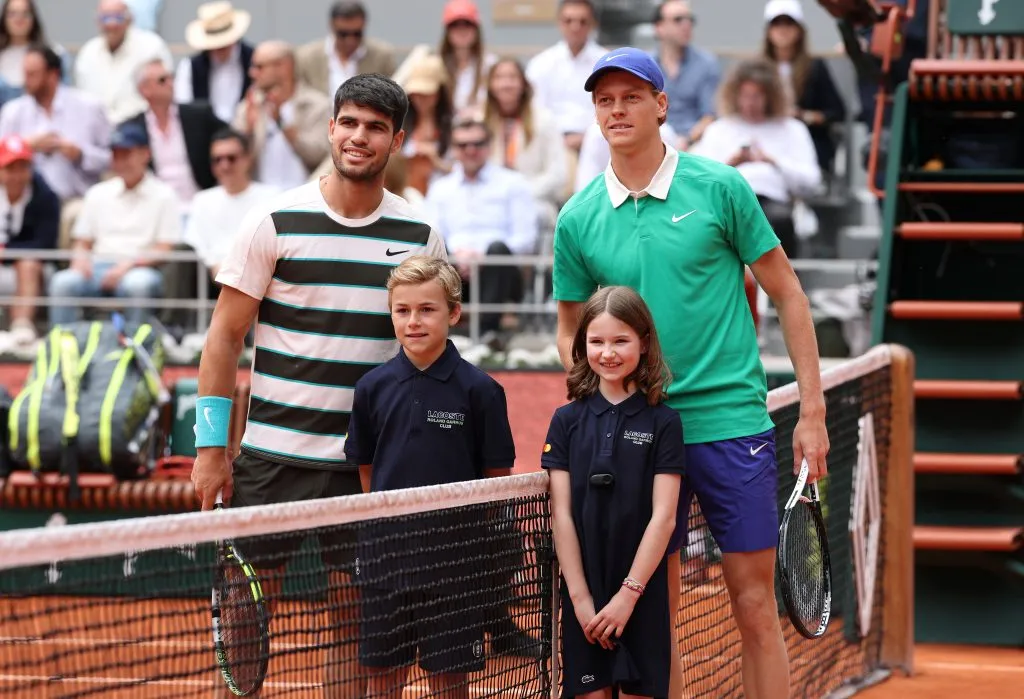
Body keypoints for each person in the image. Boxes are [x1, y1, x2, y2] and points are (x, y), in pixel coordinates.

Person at [552, 48, 830, 699]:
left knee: (756, 606)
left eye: (630, 96)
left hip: (732, 424)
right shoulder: (577, 218)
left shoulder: (721, 188)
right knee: (659, 620)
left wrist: (811, 411)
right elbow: (570, 328)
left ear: (661, 104)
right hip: (640, 433)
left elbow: (789, 293)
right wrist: (595, 410)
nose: (617, 110)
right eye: (604, 100)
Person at [189, 73, 446, 698]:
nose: (360, 137)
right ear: (331, 128)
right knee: (245, 619)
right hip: (271, 460)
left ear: (397, 141)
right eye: (350, 123)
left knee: (351, 627)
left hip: (364, 467)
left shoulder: (422, 236)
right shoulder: (272, 220)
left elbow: (427, 350)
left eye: (376, 128)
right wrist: (208, 449)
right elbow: (223, 338)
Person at [344, 255, 517, 698]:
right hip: (384, 562)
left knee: (449, 681)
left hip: (454, 564)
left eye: (427, 309)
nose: (414, 321)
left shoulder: (481, 390)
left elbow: (497, 479)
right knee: (382, 680)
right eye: (402, 311)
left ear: (454, 313)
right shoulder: (371, 388)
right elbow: (367, 469)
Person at [542, 285, 684, 699]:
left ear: (643, 342)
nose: (608, 352)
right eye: (596, 341)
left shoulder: (665, 423)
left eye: (620, 340)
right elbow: (561, 515)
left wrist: (628, 595)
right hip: (585, 592)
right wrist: (581, 598)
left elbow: (665, 517)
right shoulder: (565, 421)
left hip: (640, 594)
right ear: (582, 343)